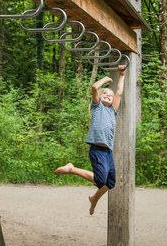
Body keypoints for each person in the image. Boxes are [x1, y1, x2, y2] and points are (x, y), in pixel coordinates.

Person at [54, 65, 127, 215]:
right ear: (100, 97)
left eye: (110, 95)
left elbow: (119, 93)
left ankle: (94, 198)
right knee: (101, 180)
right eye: (105, 93)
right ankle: (71, 169)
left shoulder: (112, 111)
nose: (108, 95)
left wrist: (122, 75)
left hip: (108, 152)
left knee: (109, 183)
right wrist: (105, 80)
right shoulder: (97, 107)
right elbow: (94, 87)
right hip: (97, 149)